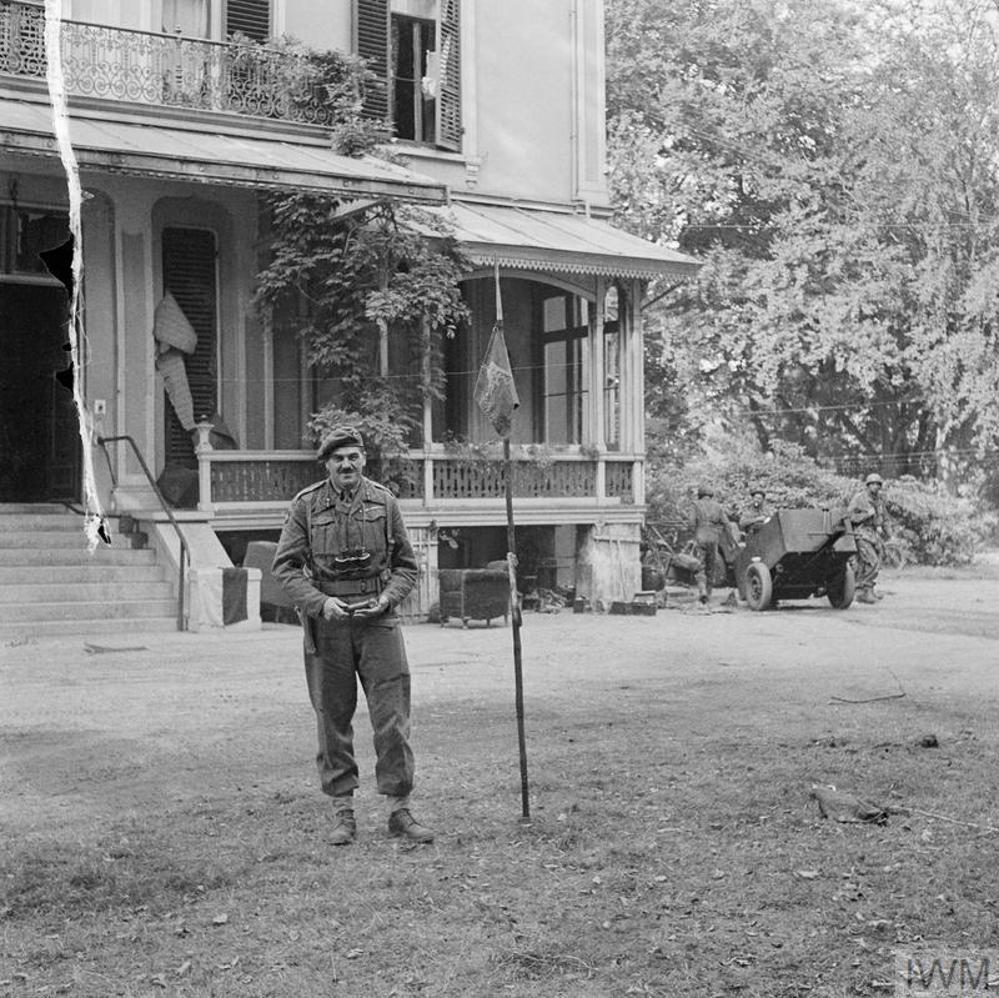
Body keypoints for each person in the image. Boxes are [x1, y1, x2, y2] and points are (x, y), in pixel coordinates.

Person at [272, 426, 433, 846]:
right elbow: (285, 569)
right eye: (338, 458)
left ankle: (399, 811)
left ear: (363, 460)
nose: (347, 465)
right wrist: (320, 603)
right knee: (332, 719)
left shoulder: (384, 502)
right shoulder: (306, 507)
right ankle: (343, 814)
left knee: (392, 719)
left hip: (378, 622)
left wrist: (387, 598)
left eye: (354, 456)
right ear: (326, 464)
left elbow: (407, 566)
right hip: (329, 625)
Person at [848, 472, 890, 604]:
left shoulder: (879, 501)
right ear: (868, 485)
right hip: (861, 534)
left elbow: (885, 518)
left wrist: (889, 533)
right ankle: (862, 590)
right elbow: (849, 516)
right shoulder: (860, 498)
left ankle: (865, 591)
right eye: (873, 484)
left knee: (867, 564)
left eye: (878, 484)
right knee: (873, 562)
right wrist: (866, 515)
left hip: (874, 536)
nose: (876, 487)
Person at [688, 484, 734, 606]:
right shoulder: (718, 506)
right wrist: (730, 541)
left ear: (700, 495)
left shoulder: (695, 504)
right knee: (711, 566)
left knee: (700, 565)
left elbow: (691, 522)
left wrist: (694, 533)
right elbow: (727, 524)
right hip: (713, 537)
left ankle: (702, 590)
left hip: (701, 536)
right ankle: (708, 594)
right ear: (711, 495)